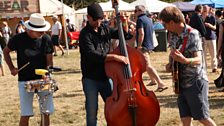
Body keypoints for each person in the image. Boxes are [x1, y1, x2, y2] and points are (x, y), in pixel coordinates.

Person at [159, 6, 217, 126]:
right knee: (185, 119)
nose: (164, 28)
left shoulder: (192, 34)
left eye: (165, 25)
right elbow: (174, 56)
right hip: (181, 82)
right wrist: (170, 65)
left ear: (171, 22)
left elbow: (198, 60)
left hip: (195, 82)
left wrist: (184, 60)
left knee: (203, 118)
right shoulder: (173, 35)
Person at [79, 3, 130, 126]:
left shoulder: (105, 29)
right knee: (92, 112)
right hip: (90, 78)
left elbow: (124, 35)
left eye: (100, 19)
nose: (98, 22)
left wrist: (124, 22)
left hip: (107, 77)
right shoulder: (84, 34)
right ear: (88, 17)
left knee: (114, 108)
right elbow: (92, 55)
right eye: (95, 19)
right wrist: (114, 57)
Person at [3, 13, 54, 126]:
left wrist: (47, 72)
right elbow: (6, 51)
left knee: (45, 112)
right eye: (40, 31)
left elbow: (49, 61)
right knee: (26, 113)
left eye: (43, 30)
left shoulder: (46, 39)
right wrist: (12, 68)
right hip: (25, 80)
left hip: (43, 80)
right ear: (30, 30)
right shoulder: (18, 39)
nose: (43, 33)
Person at [135, 5, 167, 91]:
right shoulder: (148, 19)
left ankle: (161, 83)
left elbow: (141, 33)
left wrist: (139, 46)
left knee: (147, 65)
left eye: (136, 11)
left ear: (139, 11)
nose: (135, 12)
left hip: (144, 45)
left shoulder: (140, 20)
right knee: (147, 65)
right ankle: (153, 80)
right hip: (149, 44)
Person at [202, 5, 217, 73]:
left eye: (206, 8)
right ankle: (204, 68)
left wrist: (210, 25)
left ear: (209, 10)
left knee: (213, 53)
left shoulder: (212, 17)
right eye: (204, 8)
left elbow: (215, 28)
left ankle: (214, 67)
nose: (205, 9)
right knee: (203, 54)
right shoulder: (200, 17)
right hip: (203, 38)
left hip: (211, 38)